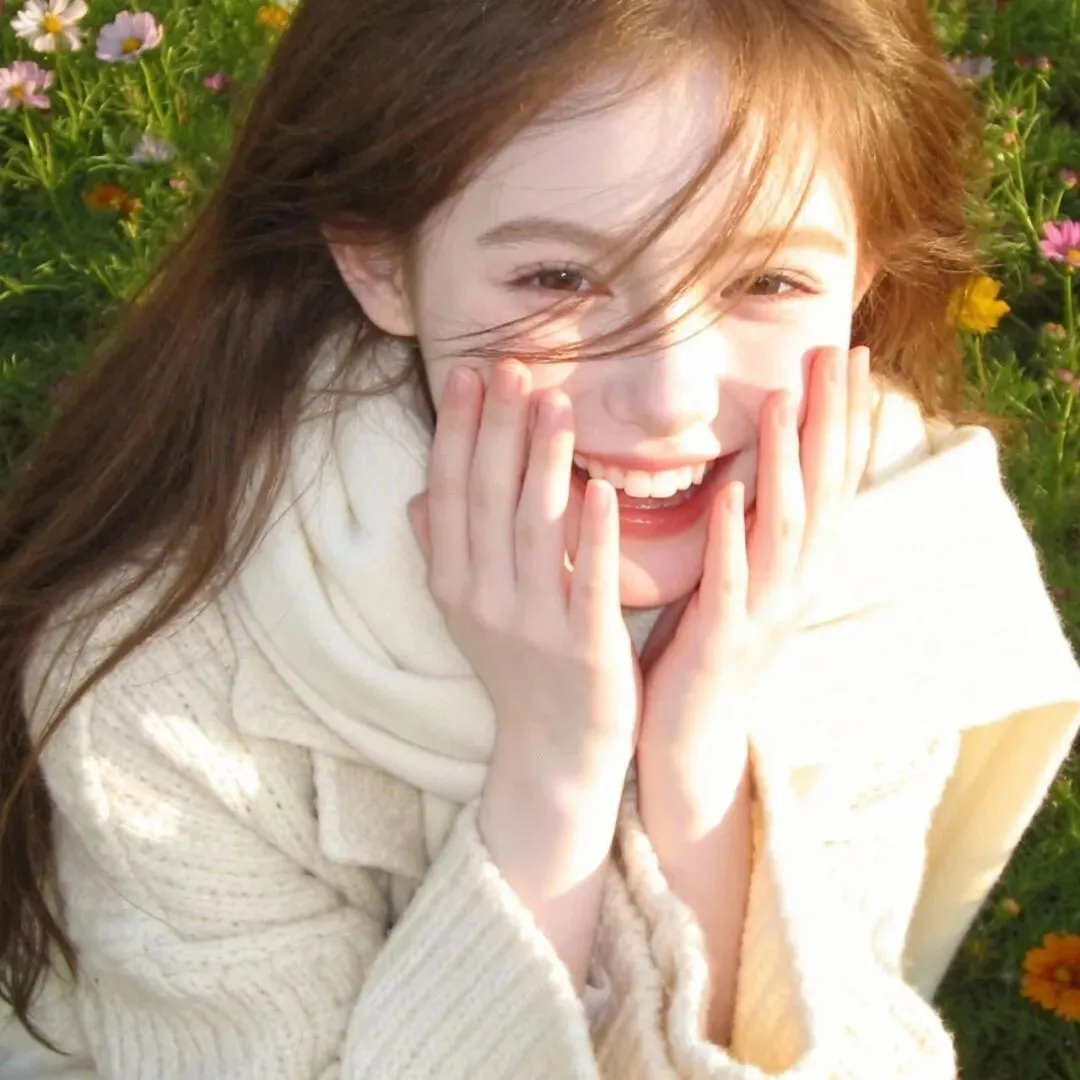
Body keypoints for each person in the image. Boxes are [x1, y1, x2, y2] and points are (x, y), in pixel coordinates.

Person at [1, 0, 1078, 1076]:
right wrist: (552, 783)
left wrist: (704, 782)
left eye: (767, 281)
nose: (669, 396)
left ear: (865, 273)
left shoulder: (894, 572)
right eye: (559, 278)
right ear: (379, 261)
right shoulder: (172, 674)